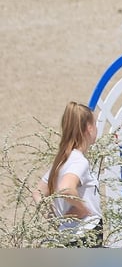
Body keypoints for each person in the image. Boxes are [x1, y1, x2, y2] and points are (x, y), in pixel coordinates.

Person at [33, 101, 103, 247]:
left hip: (66, 237)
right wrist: (82, 209)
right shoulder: (79, 161)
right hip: (86, 235)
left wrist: (55, 220)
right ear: (89, 128)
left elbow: (37, 192)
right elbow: (66, 188)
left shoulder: (62, 160)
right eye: (95, 124)